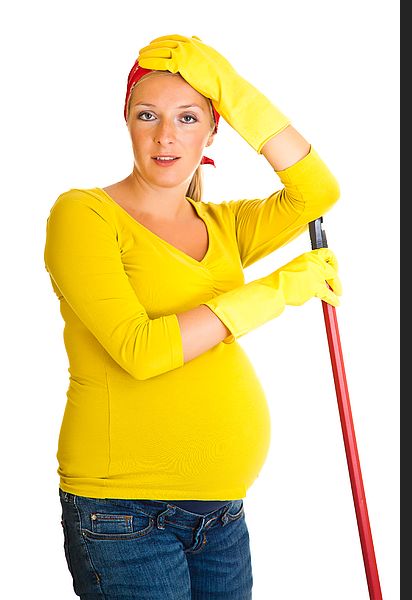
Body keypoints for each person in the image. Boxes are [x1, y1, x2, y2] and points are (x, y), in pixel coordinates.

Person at [44, 34, 342, 600]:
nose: (165, 135)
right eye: (147, 114)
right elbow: (142, 350)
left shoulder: (226, 226)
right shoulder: (83, 215)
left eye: (188, 117)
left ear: (212, 130)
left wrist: (227, 84)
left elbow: (316, 189)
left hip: (222, 516)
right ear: (126, 122)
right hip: (123, 516)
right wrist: (276, 291)